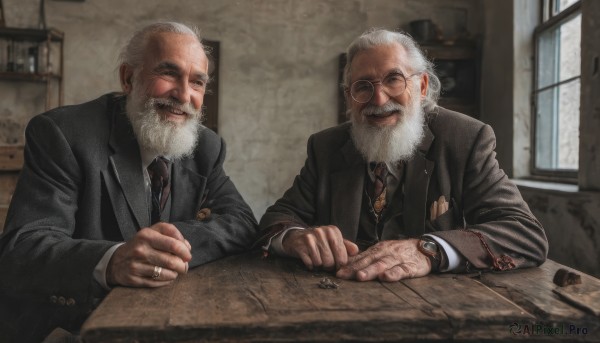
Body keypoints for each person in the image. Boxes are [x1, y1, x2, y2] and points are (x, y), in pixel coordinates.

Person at [0, 22, 257, 341]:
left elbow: (242, 223)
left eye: (197, 82)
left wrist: (167, 247)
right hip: (68, 324)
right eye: (169, 73)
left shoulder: (206, 146)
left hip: (162, 319)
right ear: (128, 78)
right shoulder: (63, 133)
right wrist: (112, 260)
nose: (184, 95)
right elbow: (23, 248)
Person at [258, 29, 548, 283]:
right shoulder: (326, 147)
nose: (379, 99)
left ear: (421, 87)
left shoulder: (466, 139)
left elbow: (523, 233)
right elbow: (277, 218)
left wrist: (429, 249)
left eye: (393, 80)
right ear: (349, 97)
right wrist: (295, 238)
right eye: (363, 86)